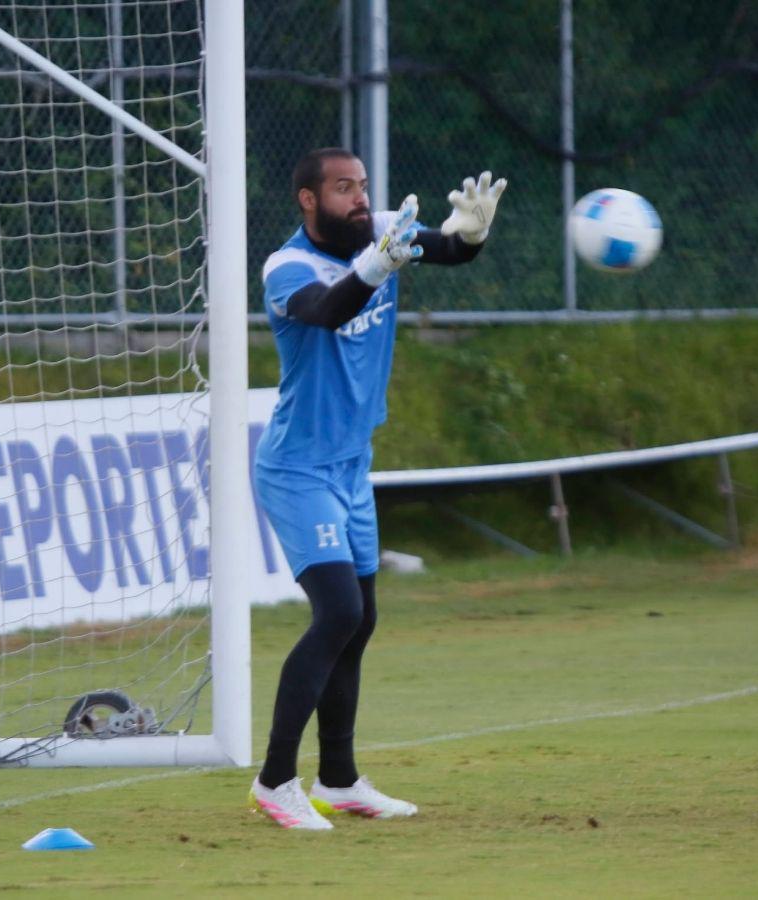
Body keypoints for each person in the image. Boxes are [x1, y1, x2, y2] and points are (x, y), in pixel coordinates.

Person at [249, 149, 506, 829]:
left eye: (362, 186)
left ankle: (339, 779)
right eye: (343, 189)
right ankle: (276, 781)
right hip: (296, 468)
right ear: (309, 200)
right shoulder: (287, 267)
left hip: (350, 467)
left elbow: (448, 250)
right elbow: (330, 310)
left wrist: (470, 234)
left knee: (359, 623)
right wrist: (382, 262)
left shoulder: (382, 234)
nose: (360, 199)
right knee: (335, 613)